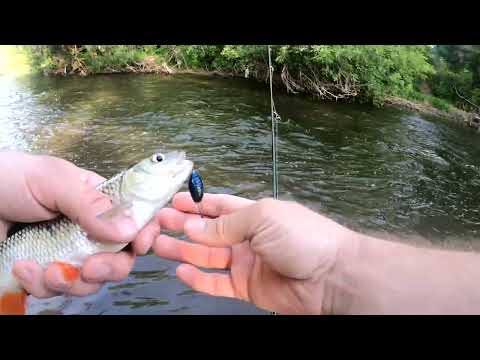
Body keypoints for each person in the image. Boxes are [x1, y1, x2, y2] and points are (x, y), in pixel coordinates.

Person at [2, 151, 480, 314]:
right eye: (159, 161)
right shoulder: (107, 196)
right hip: (26, 248)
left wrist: (337, 271)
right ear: (129, 180)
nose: (171, 162)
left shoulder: (140, 207)